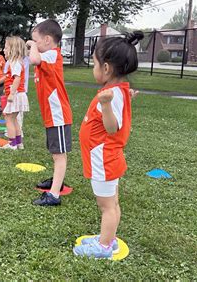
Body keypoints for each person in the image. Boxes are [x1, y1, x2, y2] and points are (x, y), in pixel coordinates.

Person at [73, 31, 143, 259]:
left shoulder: (111, 94)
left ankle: (104, 247)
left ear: (106, 68)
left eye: (93, 64)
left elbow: (112, 127)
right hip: (105, 156)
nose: (92, 69)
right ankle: (108, 239)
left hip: (103, 157)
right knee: (111, 202)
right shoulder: (117, 91)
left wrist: (106, 106)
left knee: (107, 206)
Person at [27, 19, 73, 206]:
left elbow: (34, 59)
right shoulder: (47, 57)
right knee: (55, 152)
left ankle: (54, 194)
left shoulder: (53, 55)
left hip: (58, 115)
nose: (34, 45)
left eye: (36, 40)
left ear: (47, 40)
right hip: (51, 115)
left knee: (59, 155)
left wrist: (31, 45)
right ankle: (57, 181)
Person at [0, 36, 29, 150]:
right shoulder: (15, 62)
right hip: (19, 94)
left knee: (8, 118)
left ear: (13, 50)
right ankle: (18, 143)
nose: (4, 50)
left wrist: (11, 94)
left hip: (15, 95)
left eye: (6, 48)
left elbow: (17, 78)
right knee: (14, 118)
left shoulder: (14, 63)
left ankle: (11, 144)